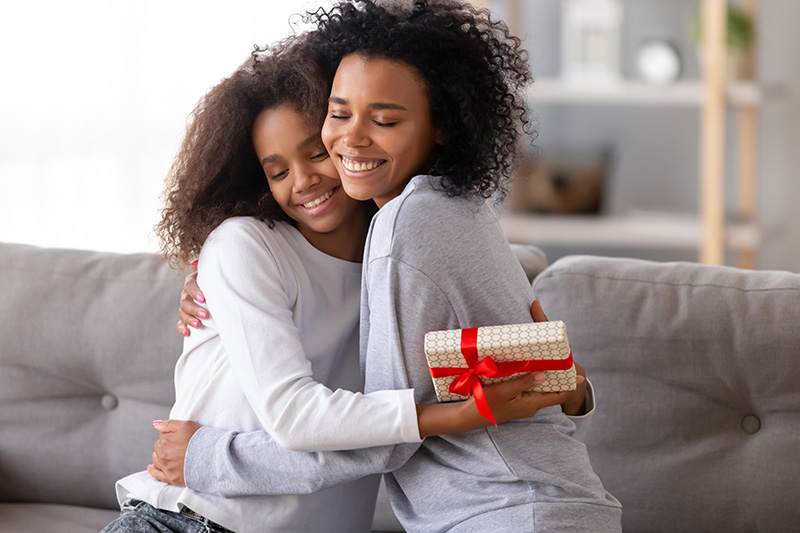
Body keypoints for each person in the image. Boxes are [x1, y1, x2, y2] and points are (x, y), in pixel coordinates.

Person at [151, 1, 622, 531]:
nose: (350, 139)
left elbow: (384, 439)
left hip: (508, 513)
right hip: (535, 507)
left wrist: (204, 459)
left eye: (385, 119)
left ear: (440, 123)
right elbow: (512, 378)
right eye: (339, 112)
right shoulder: (456, 207)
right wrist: (572, 390)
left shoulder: (403, 228)